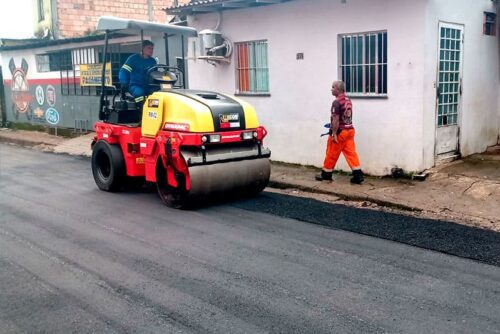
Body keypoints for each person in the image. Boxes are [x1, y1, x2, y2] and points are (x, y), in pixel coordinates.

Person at [315, 80, 364, 184]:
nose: (331, 89)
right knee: (351, 154)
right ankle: (358, 175)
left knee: (331, 153)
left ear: (338, 89)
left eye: (333, 87)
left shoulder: (336, 102)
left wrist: (334, 133)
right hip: (350, 130)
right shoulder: (348, 100)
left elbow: (336, 119)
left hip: (340, 132)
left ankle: (326, 175)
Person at [118, 40, 157, 104]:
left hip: (149, 86)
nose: (151, 50)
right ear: (142, 48)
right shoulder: (133, 59)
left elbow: (155, 75)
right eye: (148, 48)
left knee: (160, 95)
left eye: (152, 48)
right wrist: (123, 82)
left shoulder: (153, 61)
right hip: (136, 86)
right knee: (140, 94)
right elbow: (123, 72)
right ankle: (142, 111)